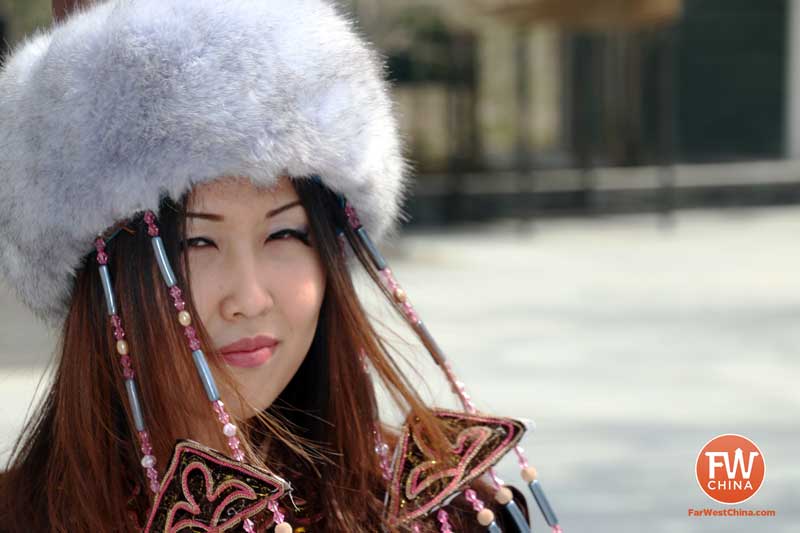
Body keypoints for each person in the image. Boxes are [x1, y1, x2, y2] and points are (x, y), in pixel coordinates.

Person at [0, 1, 560, 531]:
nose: (250, 297)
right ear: (105, 277)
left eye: (285, 233)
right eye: (196, 243)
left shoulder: (446, 511)